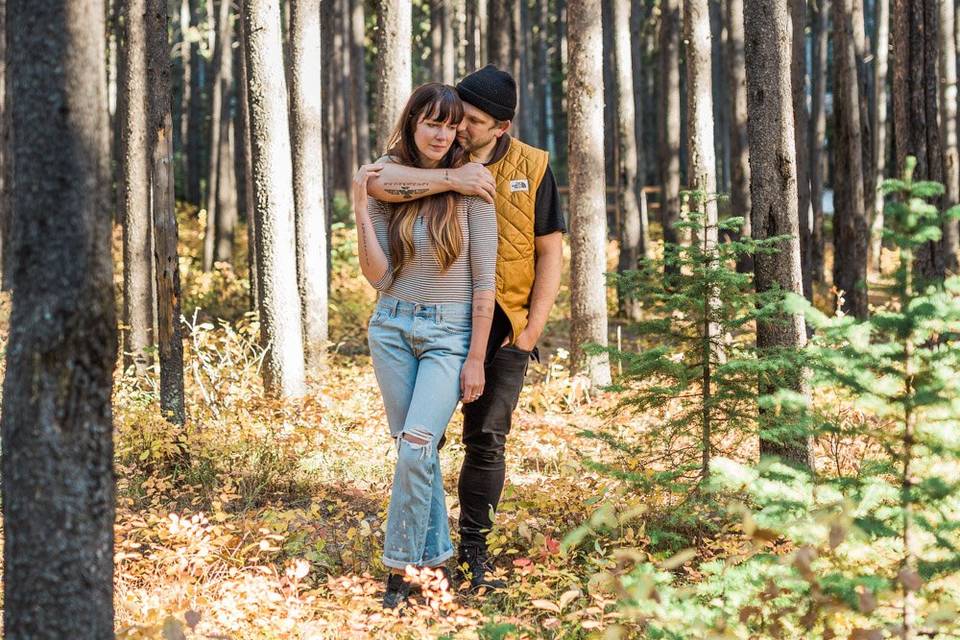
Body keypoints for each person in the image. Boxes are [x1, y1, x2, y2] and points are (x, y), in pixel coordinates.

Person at [367, 65, 565, 592]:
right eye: (458, 116)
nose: (461, 128)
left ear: (501, 127)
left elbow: (550, 251)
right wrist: (450, 177)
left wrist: (528, 334)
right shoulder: (435, 159)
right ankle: (429, 559)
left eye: (474, 122)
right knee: (421, 442)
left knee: (485, 441)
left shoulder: (533, 167)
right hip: (439, 320)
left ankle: (476, 553)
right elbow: (379, 182)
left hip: (502, 329)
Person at [352, 83, 498, 609]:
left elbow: (486, 283)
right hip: (390, 325)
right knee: (417, 454)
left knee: (416, 445)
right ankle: (435, 561)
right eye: (430, 123)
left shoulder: (474, 187)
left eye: (449, 124)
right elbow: (377, 275)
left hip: (450, 332)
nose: (441, 133)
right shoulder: (391, 179)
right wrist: (359, 211)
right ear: (412, 123)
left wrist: (477, 355)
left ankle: (401, 570)